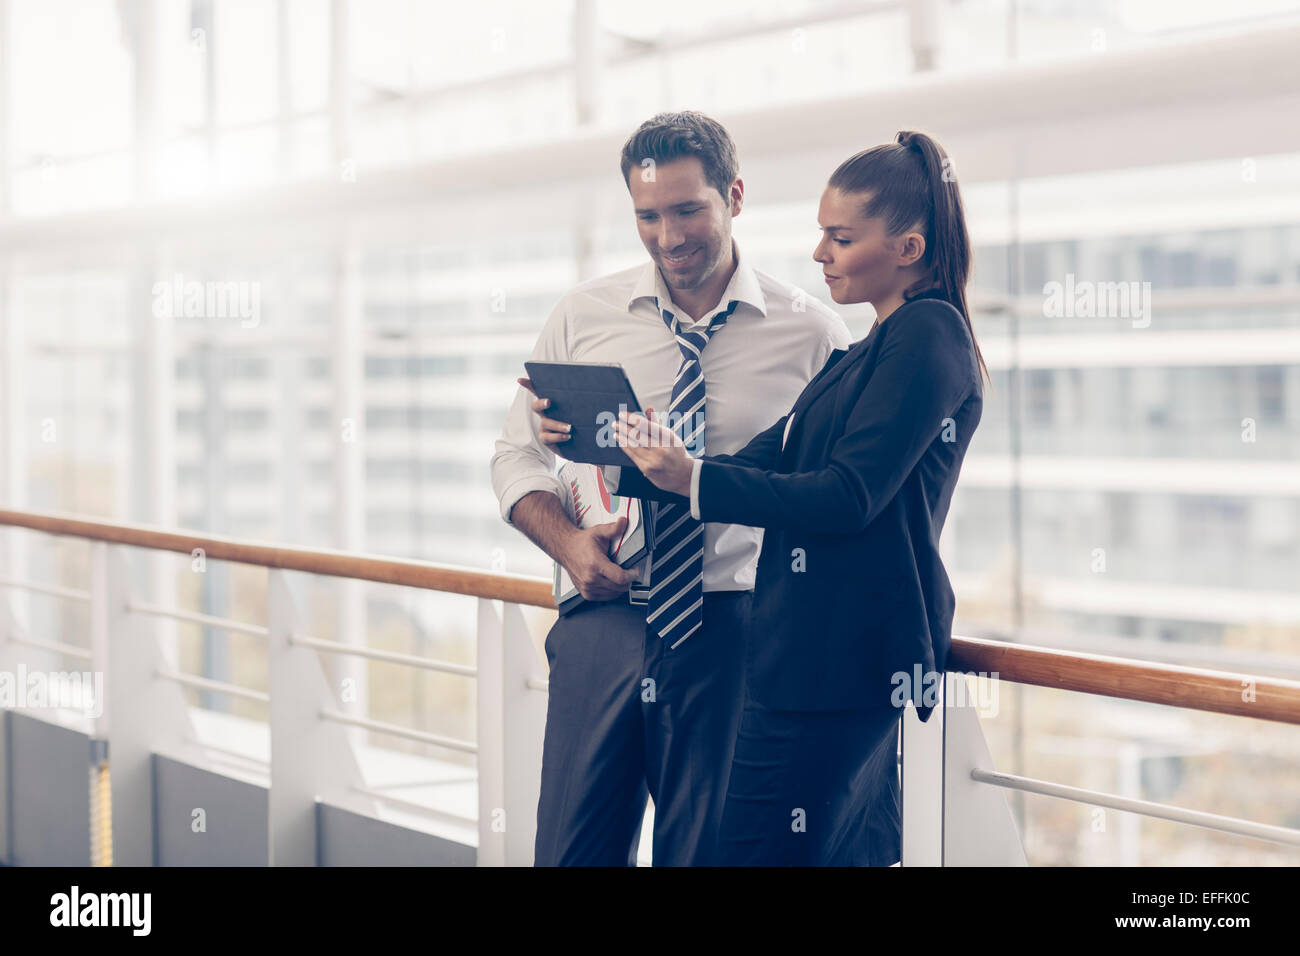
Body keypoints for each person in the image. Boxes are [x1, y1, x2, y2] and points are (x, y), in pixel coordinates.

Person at [533, 130, 988, 865]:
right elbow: (770, 454)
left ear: (906, 248)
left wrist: (695, 479)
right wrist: (605, 448)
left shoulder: (921, 337)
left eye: (840, 237)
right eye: (822, 235)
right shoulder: (876, 344)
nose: (819, 253)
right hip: (799, 654)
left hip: (833, 657)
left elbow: (847, 495)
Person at [490, 110, 850, 866]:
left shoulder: (813, 336)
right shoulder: (583, 317)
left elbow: (833, 495)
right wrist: (566, 544)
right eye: (647, 215)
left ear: (735, 196)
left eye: (688, 209)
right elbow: (515, 457)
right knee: (570, 851)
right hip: (604, 617)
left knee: (707, 854)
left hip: (736, 631)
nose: (668, 236)